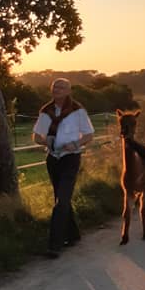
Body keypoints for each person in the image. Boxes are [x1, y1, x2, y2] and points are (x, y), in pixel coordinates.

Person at [32, 78, 94, 258]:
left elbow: (89, 135)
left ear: (69, 91)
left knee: (61, 201)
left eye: (61, 87)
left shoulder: (77, 111)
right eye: (54, 87)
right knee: (61, 198)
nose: (57, 90)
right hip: (53, 159)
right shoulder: (46, 111)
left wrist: (75, 143)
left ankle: (54, 245)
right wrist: (45, 141)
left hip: (71, 159)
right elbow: (36, 136)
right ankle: (73, 235)